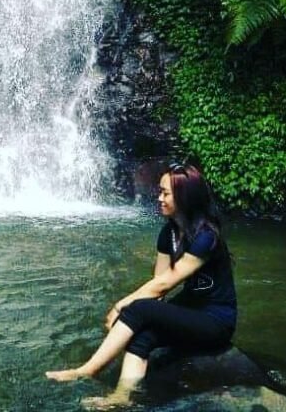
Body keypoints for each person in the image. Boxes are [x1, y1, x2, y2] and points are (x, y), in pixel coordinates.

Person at [45, 162, 237, 408]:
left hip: (215, 321)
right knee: (143, 334)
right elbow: (159, 286)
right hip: (191, 311)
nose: (159, 198)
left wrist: (122, 307)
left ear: (184, 197)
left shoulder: (206, 236)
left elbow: (166, 282)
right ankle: (122, 398)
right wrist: (137, 322)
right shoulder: (167, 234)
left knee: (139, 310)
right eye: (160, 191)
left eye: (165, 193)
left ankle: (87, 370)